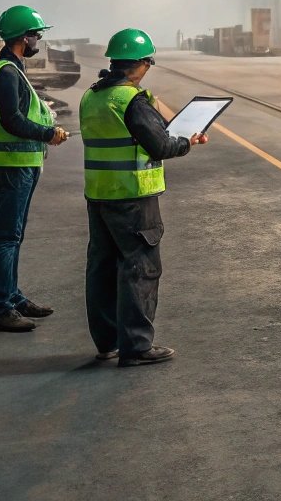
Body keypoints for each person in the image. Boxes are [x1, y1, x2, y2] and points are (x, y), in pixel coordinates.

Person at [80, 28, 207, 367]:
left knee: (102, 269)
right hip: (134, 196)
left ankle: (107, 342)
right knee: (140, 269)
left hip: (99, 194)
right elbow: (161, 144)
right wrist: (187, 142)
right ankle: (136, 346)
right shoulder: (132, 100)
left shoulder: (92, 96)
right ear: (140, 64)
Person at [0, 5, 69, 333]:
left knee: (14, 234)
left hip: (22, 164)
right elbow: (12, 120)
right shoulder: (5, 72)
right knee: (6, 236)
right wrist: (47, 133)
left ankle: (13, 297)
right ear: (23, 37)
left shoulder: (12, 69)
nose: (39, 41)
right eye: (36, 35)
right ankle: (0, 308)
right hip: (11, 165)